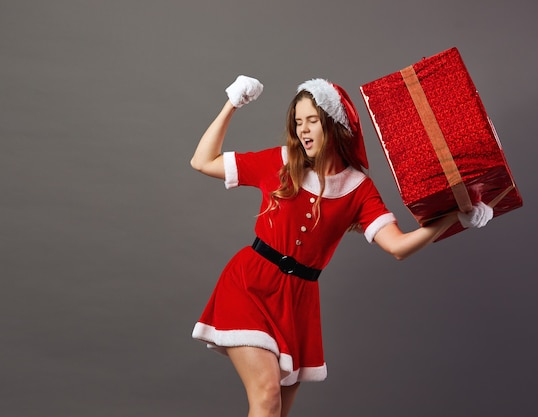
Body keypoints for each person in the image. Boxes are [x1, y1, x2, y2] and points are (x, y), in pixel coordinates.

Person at [190, 75, 493, 417]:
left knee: (276, 409)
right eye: (298, 122)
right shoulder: (281, 161)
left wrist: (455, 216)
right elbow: (202, 161)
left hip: (298, 300)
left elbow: (397, 246)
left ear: (333, 124)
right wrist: (233, 102)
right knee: (267, 394)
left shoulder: (359, 188)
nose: (303, 130)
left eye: (312, 121)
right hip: (249, 284)